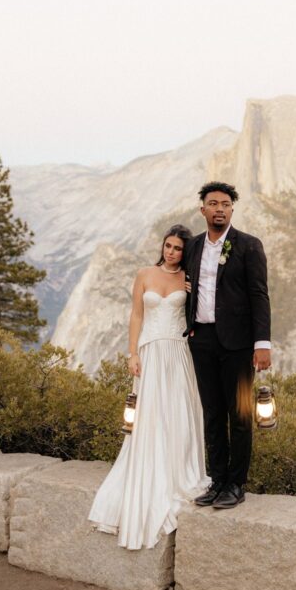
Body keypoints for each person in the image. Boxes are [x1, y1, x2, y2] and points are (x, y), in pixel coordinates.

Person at [88, 225, 209, 549]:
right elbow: (137, 315)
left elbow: (198, 316)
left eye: (178, 248)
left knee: (180, 413)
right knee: (151, 414)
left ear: (186, 252)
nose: (171, 252)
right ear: (163, 246)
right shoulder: (144, 274)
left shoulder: (187, 278)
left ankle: (180, 471)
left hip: (179, 353)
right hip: (151, 352)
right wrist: (133, 352)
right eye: (168, 246)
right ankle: (151, 471)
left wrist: (192, 289)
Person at [185, 182, 271, 510]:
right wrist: (189, 325)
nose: (219, 208)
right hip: (202, 341)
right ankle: (217, 480)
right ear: (202, 209)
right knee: (212, 414)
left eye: (225, 204)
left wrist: (262, 343)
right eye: (213, 203)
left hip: (237, 345)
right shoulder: (193, 247)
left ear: (232, 210)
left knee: (240, 414)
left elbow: (259, 296)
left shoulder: (248, 246)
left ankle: (236, 483)